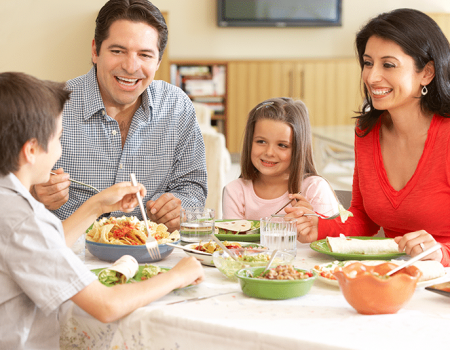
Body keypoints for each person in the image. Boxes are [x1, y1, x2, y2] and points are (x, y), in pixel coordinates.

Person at [0, 71, 205, 349]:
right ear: (32, 150)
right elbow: (106, 306)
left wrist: (97, 205)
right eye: (59, 138)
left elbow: (44, 247)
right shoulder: (24, 217)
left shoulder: (9, 202)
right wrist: (177, 276)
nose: (60, 150)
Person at [31, 0, 207, 232]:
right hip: (69, 252)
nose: (131, 66)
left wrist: (179, 207)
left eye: (144, 55)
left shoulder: (177, 106)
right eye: (117, 51)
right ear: (95, 50)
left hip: (151, 250)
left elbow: (193, 186)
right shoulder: (52, 106)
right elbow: (12, 190)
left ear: (158, 62)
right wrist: (35, 192)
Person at [295, 8, 450, 267]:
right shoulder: (366, 132)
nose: (371, 76)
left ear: (427, 73)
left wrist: (441, 253)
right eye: (368, 63)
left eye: (388, 65)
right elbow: (364, 219)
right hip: (391, 275)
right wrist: (319, 227)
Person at [222, 97, 339, 223]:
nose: (269, 152)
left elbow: (334, 240)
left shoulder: (315, 188)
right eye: (261, 141)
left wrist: (313, 223)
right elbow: (231, 242)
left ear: (299, 149)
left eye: (282, 145)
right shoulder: (235, 191)